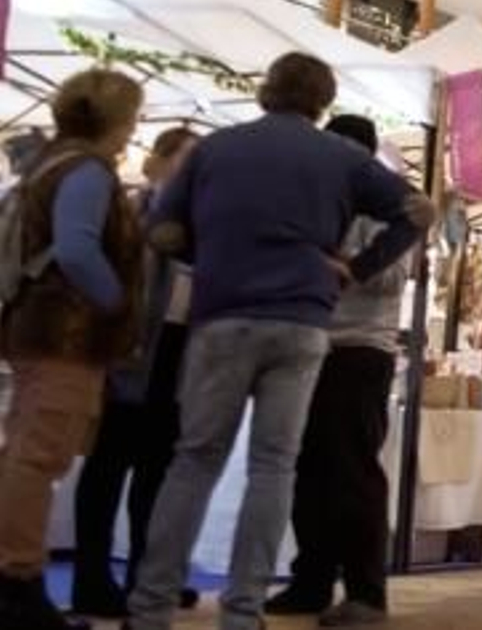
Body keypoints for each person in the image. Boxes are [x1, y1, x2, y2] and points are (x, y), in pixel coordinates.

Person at [128, 53, 432, 630]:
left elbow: (162, 231)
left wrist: (211, 255)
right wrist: (359, 267)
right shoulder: (341, 157)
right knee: (276, 467)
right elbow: (420, 210)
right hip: (302, 323)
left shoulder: (217, 149)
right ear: (323, 99)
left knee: (194, 460)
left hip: (223, 317)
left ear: (266, 89)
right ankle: (242, 612)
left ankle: (151, 608)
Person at [0, 69, 144, 630]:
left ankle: (15, 576)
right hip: (66, 333)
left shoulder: (51, 163)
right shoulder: (87, 171)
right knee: (38, 456)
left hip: (40, 330)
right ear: (117, 116)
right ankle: (17, 582)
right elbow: (78, 248)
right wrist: (113, 301)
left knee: (26, 452)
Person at [265, 115, 423, 625]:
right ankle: (310, 580)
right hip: (306, 342)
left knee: (352, 471)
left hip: (360, 349)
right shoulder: (313, 194)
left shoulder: (384, 201)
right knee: (306, 469)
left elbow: (393, 276)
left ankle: (366, 592)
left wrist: (339, 259)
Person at [72, 127, 201, 620]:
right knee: (107, 470)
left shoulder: (197, 225)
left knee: (158, 475)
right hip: (129, 348)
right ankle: (91, 579)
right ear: (159, 160)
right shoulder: (130, 210)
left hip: (177, 350)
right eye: (185, 161)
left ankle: (150, 577)